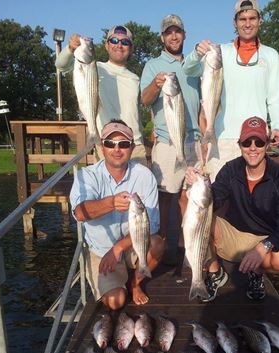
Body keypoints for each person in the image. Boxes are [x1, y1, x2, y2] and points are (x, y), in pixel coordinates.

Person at [185, 116, 279, 302]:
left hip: (265, 239)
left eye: (259, 142)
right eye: (247, 142)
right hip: (233, 234)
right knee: (198, 219)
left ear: (267, 145)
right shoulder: (231, 169)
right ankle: (215, 273)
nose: (252, 147)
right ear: (240, 145)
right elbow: (214, 198)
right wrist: (199, 184)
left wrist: (264, 247)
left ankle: (257, 273)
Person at [183, 0, 279, 180]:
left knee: (252, 199)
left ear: (260, 20)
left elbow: (276, 97)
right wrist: (197, 53)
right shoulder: (220, 52)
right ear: (235, 22)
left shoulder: (271, 55)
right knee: (218, 197)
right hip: (222, 137)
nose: (247, 23)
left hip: (256, 139)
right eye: (242, 19)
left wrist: (277, 125)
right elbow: (188, 69)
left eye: (252, 18)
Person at [70, 119, 165, 309]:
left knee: (157, 244)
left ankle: (135, 283)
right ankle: (118, 281)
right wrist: (111, 203)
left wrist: (118, 248)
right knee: (116, 302)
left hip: (131, 244)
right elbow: (79, 213)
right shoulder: (86, 175)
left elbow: (152, 226)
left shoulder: (145, 175)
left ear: (131, 148)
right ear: (101, 147)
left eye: (123, 144)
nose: (117, 149)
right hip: (101, 248)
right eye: (110, 144)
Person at [140, 14, 202, 248]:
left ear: (184, 34)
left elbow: (204, 106)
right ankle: (163, 244)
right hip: (167, 142)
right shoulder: (152, 65)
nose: (173, 36)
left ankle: (186, 246)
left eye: (177, 31)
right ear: (162, 37)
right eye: (168, 32)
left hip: (194, 141)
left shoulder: (195, 65)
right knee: (164, 197)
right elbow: (145, 100)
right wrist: (155, 86)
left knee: (190, 195)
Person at [56, 25, 147, 165]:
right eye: (114, 40)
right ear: (106, 45)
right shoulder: (95, 67)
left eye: (125, 42)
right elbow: (60, 65)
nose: (119, 45)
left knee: (138, 187)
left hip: (135, 145)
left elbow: (136, 115)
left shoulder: (135, 78)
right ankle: (93, 137)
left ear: (131, 48)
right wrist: (70, 48)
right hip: (107, 144)